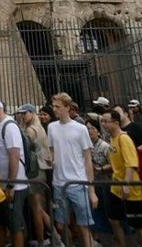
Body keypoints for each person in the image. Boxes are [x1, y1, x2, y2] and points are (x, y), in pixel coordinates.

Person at [47, 93, 97, 247]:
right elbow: (52, 150)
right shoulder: (51, 127)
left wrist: (91, 191)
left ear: (68, 108)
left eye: (58, 107)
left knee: (84, 226)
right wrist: (51, 159)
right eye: (53, 106)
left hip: (78, 183)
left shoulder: (80, 129)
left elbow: (88, 160)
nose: (54, 110)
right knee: (60, 225)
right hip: (58, 183)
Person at [101, 109, 142, 247]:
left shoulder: (124, 138)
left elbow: (132, 163)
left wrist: (126, 184)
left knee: (140, 226)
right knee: (113, 219)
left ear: (116, 123)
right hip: (116, 186)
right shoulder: (112, 138)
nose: (103, 124)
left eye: (106, 122)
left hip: (131, 188)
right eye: (102, 122)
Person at [0, 98, 27, 247]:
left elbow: (14, 157)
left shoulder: (9, 127)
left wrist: (11, 185)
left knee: (15, 225)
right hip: (0, 186)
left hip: (14, 186)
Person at [17, 103, 51, 246]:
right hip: (41, 169)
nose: (23, 116)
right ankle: (54, 235)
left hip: (34, 171)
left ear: (31, 113)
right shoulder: (39, 128)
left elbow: (25, 150)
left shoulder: (30, 130)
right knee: (39, 208)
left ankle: (42, 240)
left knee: (36, 209)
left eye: (25, 114)